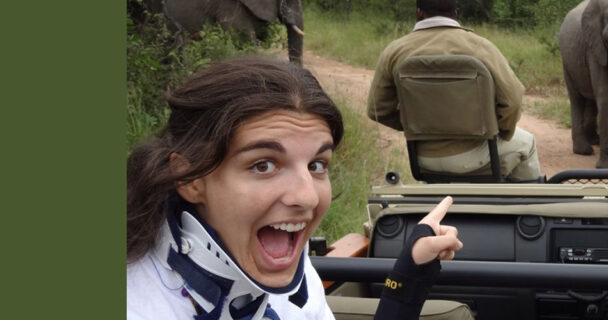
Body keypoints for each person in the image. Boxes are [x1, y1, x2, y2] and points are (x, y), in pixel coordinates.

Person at [126, 57, 464, 320]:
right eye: (263, 165)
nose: (307, 197)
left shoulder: (288, 271)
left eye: (317, 165)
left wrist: (408, 275)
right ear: (190, 179)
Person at [367, 0, 542, 182]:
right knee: (527, 143)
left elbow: (376, 110)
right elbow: (513, 101)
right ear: (456, 13)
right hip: (477, 154)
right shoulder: (480, 46)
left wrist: (418, 126)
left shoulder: (395, 50)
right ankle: (527, 206)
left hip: (424, 158)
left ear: (419, 13)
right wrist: (498, 132)